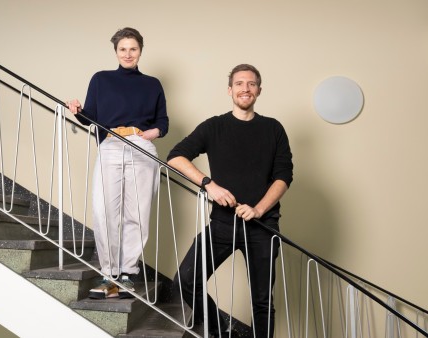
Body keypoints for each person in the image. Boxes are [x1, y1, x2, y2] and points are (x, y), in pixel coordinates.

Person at [167, 64, 292, 337]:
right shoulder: (214, 126)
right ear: (229, 90)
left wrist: (259, 209)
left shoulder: (273, 128)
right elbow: (175, 156)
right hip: (223, 223)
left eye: (251, 84)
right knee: (186, 281)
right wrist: (208, 184)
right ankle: (219, 330)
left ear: (259, 90)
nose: (245, 88)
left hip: (263, 229)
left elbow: (283, 177)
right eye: (239, 83)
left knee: (262, 302)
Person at [66, 27, 168, 299]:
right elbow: (91, 117)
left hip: (141, 146)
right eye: (123, 49)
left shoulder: (153, 84)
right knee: (104, 211)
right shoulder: (101, 79)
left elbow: (163, 123)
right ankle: (109, 275)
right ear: (116, 52)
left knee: (137, 213)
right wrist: (78, 110)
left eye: (133, 49)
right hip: (111, 145)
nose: (128, 54)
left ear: (140, 51)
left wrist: (151, 133)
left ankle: (127, 275)